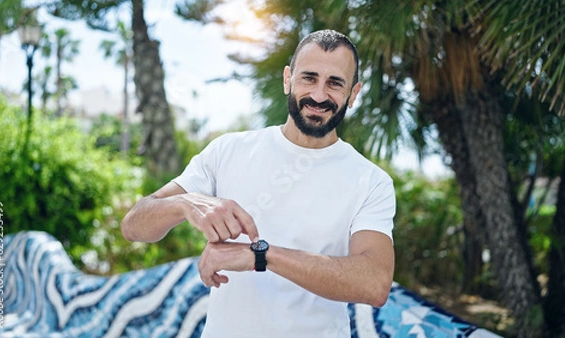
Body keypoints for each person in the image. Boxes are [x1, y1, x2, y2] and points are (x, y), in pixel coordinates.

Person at [121, 29, 396, 338]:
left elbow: (375, 284)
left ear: (354, 93)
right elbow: (133, 226)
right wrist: (183, 204)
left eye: (335, 83)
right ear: (287, 79)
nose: (319, 95)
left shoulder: (370, 181)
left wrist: (260, 256)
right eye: (309, 78)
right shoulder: (228, 151)